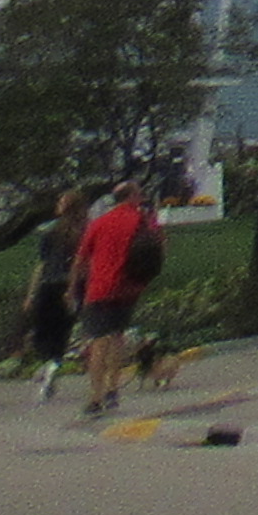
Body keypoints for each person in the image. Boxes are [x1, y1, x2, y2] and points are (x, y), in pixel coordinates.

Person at [72, 176, 164, 416]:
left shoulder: (98, 223)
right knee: (117, 338)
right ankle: (113, 389)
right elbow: (159, 247)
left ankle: (95, 397)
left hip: (99, 288)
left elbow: (81, 260)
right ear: (131, 197)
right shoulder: (141, 221)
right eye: (139, 194)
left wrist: (72, 289)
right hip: (128, 288)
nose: (141, 198)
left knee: (98, 342)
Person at [21, 209, 80, 401]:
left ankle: (48, 361)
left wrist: (31, 294)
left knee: (43, 328)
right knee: (63, 328)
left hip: (49, 284)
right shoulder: (81, 233)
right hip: (71, 285)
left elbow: (42, 265)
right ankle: (56, 361)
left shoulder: (50, 234)